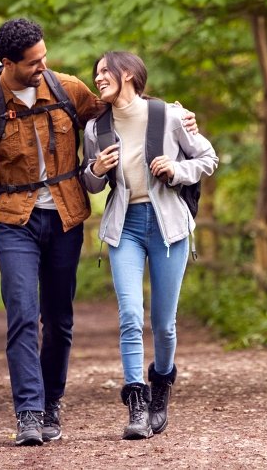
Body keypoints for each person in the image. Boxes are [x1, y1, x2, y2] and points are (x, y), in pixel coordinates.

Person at [0, 19, 198, 446]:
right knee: (21, 314)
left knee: (58, 319)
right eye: (34, 62)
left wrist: (174, 117)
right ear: (8, 63)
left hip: (64, 217)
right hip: (12, 220)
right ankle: (30, 413)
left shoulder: (66, 89)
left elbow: (122, 111)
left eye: (44, 56)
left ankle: (52, 401)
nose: (44, 65)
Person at [79, 51, 218, 440]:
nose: (99, 77)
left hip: (168, 227)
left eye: (106, 71)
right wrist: (95, 170)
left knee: (163, 324)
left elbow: (207, 158)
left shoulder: (169, 116)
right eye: (96, 72)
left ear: (128, 74)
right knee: (129, 315)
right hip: (125, 228)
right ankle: (137, 404)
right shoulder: (95, 129)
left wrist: (176, 170)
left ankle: (161, 389)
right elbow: (89, 183)